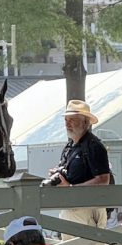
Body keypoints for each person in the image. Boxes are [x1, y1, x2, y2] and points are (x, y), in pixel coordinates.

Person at [47, 99, 111, 232]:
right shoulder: (70, 146)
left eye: (72, 120)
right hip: (70, 208)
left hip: (88, 210)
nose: (67, 124)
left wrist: (71, 188)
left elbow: (103, 180)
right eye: (66, 120)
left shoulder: (94, 146)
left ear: (85, 122)